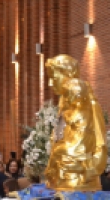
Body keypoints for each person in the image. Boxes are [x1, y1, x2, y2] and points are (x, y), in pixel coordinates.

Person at [44, 54, 107, 191]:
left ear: (67, 74)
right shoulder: (64, 102)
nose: (50, 83)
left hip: (79, 172)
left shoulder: (86, 103)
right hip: (63, 173)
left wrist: (88, 168)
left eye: (54, 77)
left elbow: (95, 141)